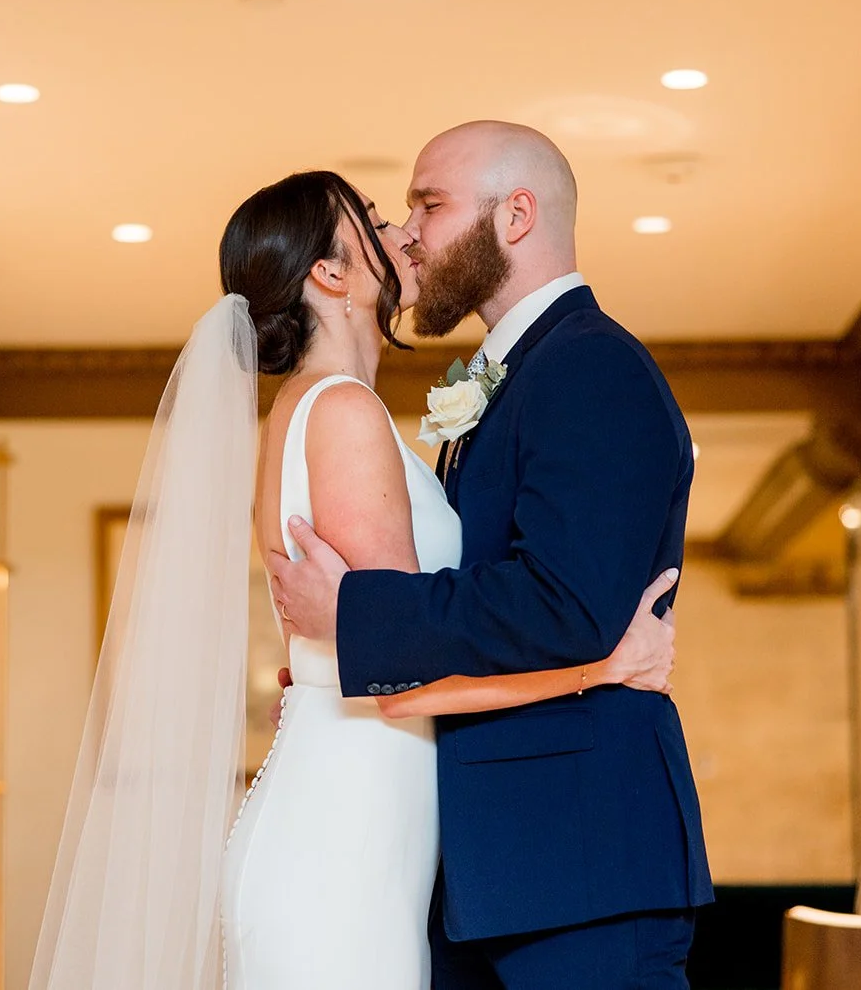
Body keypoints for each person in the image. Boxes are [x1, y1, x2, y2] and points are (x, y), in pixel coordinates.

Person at [28, 167, 679, 990]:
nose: (404, 232)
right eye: (375, 220)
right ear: (331, 274)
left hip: (362, 828)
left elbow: (385, 651)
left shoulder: (318, 410)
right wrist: (606, 665)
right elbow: (403, 681)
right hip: (342, 846)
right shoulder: (341, 412)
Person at [268, 123, 715, 989]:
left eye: (429, 205)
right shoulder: (512, 375)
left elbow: (564, 605)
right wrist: (336, 665)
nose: (407, 235)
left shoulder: (592, 367)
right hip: (493, 873)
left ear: (516, 215)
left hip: (581, 866)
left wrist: (356, 617)